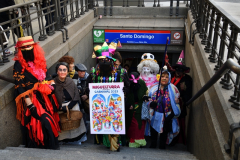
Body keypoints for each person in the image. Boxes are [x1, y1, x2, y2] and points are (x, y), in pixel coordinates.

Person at [13, 36, 60, 149]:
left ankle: (49, 145)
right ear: (20, 50)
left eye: (29, 47)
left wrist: (52, 87)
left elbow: (47, 75)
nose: (28, 49)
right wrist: (30, 106)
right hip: (32, 99)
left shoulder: (38, 59)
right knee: (42, 120)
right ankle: (40, 144)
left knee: (50, 119)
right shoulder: (18, 65)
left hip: (45, 96)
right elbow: (20, 87)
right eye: (25, 47)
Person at [89, 40, 130, 151]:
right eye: (102, 60)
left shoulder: (121, 72)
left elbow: (128, 85)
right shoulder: (94, 72)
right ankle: (104, 141)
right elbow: (89, 86)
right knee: (102, 122)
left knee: (115, 122)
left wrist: (124, 90)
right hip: (100, 104)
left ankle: (116, 143)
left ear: (112, 60)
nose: (105, 62)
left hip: (115, 104)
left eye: (107, 59)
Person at [54, 62, 87, 144]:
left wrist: (70, 106)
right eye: (60, 70)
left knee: (75, 125)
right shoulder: (53, 83)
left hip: (72, 105)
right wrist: (60, 107)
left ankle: (76, 140)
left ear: (67, 71)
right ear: (57, 71)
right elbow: (51, 98)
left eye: (64, 70)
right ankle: (64, 140)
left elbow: (76, 95)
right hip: (60, 108)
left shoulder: (70, 81)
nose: (62, 72)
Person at [149, 66, 181, 149]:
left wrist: (172, 115)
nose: (164, 78)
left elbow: (176, 103)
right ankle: (153, 144)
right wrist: (152, 104)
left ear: (169, 78)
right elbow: (147, 101)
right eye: (162, 76)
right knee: (154, 129)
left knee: (165, 131)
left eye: (167, 77)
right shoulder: (153, 88)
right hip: (155, 113)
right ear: (159, 77)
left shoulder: (174, 89)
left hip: (167, 114)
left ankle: (162, 145)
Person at [170, 51, 192, 145]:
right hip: (168, 104)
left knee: (179, 123)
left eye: (180, 70)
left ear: (183, 71)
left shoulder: (187, 79)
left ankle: (178, 141)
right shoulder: (170, 76)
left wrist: (182, 99)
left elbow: (188, 93)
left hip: (179, 105)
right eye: (177, 70)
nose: (178, 72)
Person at [125, 72, 148, 148]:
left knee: (139, 125)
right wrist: (127, 105)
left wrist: (145, 97)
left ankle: (138, 142)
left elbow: (146, 92)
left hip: (140, 108)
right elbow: (125, 96)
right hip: (130, 109)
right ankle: (130, 140)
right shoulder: (127, 84)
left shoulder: (141, 83)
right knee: (130, 126)